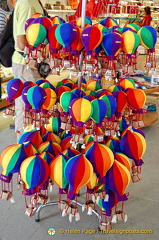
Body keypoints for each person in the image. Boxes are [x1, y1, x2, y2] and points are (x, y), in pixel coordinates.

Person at [12, 0, 44, 140]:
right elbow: (21, 42)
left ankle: (29, 141)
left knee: (30, 106)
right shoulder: (27, 3)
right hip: (25, 64)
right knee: (27, 107)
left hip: (28, 64)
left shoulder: (33, 2)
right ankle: (24, 145)